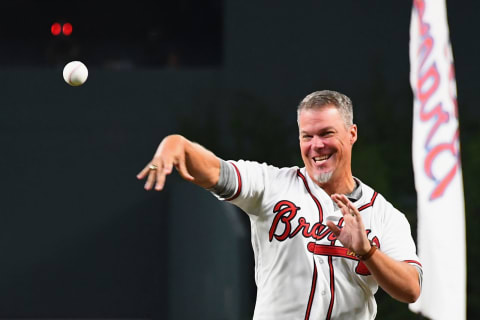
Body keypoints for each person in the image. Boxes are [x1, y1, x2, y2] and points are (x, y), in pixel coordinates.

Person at [137, 90, 422, 320]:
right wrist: (177, 145)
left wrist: (367, 252)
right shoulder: (272, 185)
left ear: (352, 134)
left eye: (326, 133)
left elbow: (411, 289)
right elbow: (215, 171)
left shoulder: (384, 215)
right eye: (306, 136)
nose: (316, 145)